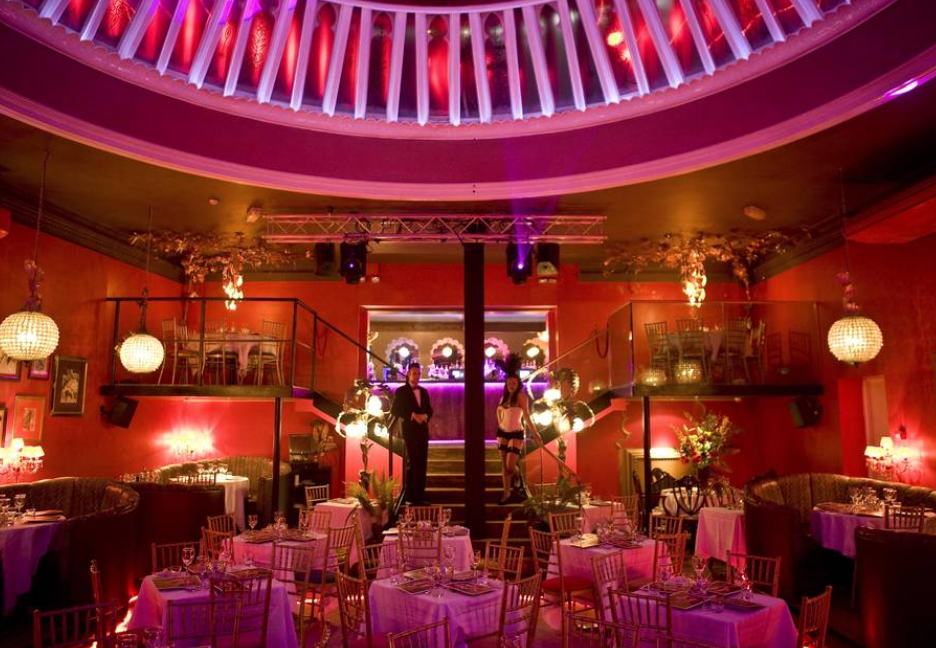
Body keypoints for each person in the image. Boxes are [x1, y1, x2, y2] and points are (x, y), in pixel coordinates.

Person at [391, 363, 433, 505]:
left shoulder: (424, 391)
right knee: (412, 463)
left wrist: (426, 416)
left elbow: (429, 410)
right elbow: (395, 410)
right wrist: (412, 415)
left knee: (422, 463)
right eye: (414, 373)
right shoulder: (401, 391)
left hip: (423, 431)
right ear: (408, 374)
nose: (416, 376)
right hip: (409, 432)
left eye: (418, 373)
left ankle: (420, 496)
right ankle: (410, 497)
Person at [496, 372, 534, 505]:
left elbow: (527, 416)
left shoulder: (521, 396)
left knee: (510, 466)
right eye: (509, 383)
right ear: (506, 385)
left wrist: (535, 433)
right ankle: (506, 493)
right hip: (502, 433)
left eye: (514, 383)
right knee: (504, 466)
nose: (511, 386)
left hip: (516, 432)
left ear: (518, 384)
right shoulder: (504, 397)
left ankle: (517, 476)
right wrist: (500, 423)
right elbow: (499, 411)